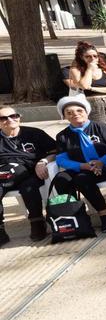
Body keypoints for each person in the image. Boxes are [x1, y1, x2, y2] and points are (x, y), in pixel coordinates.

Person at [52, 96, 106, 233]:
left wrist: (102, 162)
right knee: (61, 178)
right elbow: (61, 159)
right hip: (82, 168)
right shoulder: (63, 136)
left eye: (79, 110)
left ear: (86, 112)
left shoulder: (101, 127)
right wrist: (82, 166)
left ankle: (105, 213)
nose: (75, 114)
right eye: (69, 112)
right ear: (64, 116)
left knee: (82, 179)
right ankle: (75, 217)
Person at [0, 105, 57, 245]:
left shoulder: (34, 133)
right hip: (4, 174)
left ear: (19, 117)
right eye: (3, 118)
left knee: (28, 186)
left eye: (13, 116)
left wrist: (43, 161)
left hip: (33, 172)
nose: (9, 120)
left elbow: (56, 150)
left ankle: (37, 222)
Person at [67, 42, 106, 128]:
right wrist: (89, 69)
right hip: (93, 103)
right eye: (88, 56)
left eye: (95, 56)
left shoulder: (104, 70)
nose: (92, 58)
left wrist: (92, 88)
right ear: (82, 57)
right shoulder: (76, 70)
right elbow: (84, 86)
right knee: (101, 129)